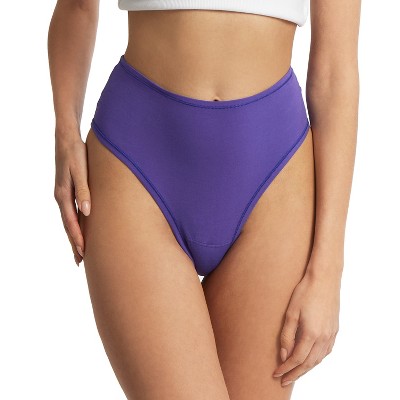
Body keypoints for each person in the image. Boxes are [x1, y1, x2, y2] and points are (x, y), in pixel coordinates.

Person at [48, 0, 361, 398]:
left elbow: (335, 70)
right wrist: (65, 130)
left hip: (274, 180)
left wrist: (328, 271)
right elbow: (77, 6)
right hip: (137, 162)